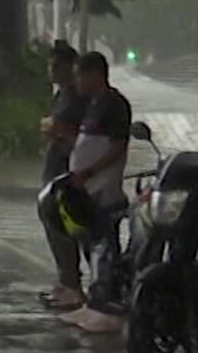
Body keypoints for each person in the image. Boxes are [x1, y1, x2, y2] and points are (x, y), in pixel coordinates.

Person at [60, 51, 132, 333]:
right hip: (85, 187)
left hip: (104, 187)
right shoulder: (93, 105)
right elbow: (88, 142)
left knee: (104, 244)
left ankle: (108, 304)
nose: (76, 81)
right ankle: (96, 300)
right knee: (91, 242)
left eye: (79, 75)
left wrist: (90, 172)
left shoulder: (114, 104)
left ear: (94, 74)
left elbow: (117, 146)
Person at [38, 40, 88, 311]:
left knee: (64, 228)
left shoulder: (78, 97)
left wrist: (56, 129)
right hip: (54, 168)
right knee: (54, 227)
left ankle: (72, 286)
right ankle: (65, 282)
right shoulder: (63, 95)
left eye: (58, 65)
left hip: (67, 172)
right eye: (50, 65)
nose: (52, 70)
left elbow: (79, 137)